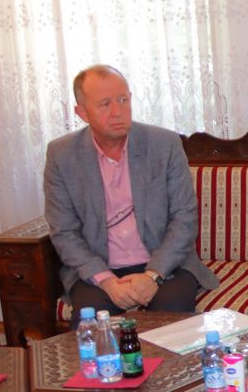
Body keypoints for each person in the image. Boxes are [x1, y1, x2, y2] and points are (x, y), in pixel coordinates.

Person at [44, 64, 219, 324]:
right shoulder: (62, 155)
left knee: (171, 319)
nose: (117, 111)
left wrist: (152, 275)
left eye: (123, 100)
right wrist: (106, 281)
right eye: (105, 104)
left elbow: (184, 218)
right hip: (99, 269)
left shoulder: (164, 144)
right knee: (92, 328)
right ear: (82, 113)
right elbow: (64, 231)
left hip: (166, 265)